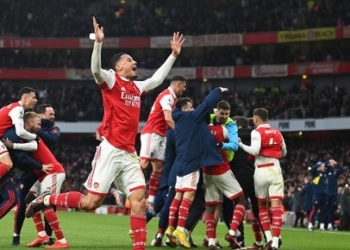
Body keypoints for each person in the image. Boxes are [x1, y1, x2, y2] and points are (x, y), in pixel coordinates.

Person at [25, 17, 185, 250]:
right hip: (110, 150)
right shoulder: (111, 80)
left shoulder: (136, 87)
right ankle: (46, 199)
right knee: (90, 203)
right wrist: (98, 44)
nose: (135, 62)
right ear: (119, 66)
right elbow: (95, 70)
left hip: (130, 153)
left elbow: (157, 80)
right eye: (130, 60)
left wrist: (173, 55)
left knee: (139, 201)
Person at [165, 87, 227, 248]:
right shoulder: (190, 117)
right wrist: (217, 90)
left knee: (178, 196)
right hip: (191, 161)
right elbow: (206, 105)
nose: (193, 109)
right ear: (185, 109)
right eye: (191, 106)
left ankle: (171, 228)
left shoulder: (177, 120)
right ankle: (180, 229)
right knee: (189, 195)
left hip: (180, 162)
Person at [3, 112, 67, 249]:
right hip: (44, 176)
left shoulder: (32, 137)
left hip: (53, 172)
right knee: (28, 201)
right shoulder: (26, 136)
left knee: (45, 204)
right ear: (29, 122)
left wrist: (13, 146)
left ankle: (61, 241)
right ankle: (42, 235)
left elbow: (34, 147)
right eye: (38, 123)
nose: (40, 127)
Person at [238, 108, 287, 250]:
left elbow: (255, 150)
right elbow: (284, 151)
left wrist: (241, 144)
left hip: (260, 170)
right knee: (276, 207)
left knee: (262, 207)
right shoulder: (277, 132)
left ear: (255, 119)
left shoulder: (256, 132)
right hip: (275, 169)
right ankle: (276, 242)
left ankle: (269, 239)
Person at [140, 75, 187, 213]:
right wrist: (181, 134)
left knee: (158, 169)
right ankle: (122, 190)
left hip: (162, 134)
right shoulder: (167, 96)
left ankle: (151, 202)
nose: (184, 90)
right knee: (143, 164)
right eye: (183, 87)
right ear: (178, 85)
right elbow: (168, 118)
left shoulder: (174, 99)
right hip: (152, 133)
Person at [223, 116, 264, 250]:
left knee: (237, 208)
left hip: (239, 178)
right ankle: (269, 238)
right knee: (259, 210)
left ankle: (239, 240)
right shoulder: (256, 136)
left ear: (237, 126)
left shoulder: (233, 137)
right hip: (256, 176)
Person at [203, 121, 246, 249]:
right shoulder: (223, 129)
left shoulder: (202, 128)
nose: (224, 116)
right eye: (223, 113)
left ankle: (211, 240)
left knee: (211, 207)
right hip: (221, 170)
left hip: (206, 172)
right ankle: (232, 232)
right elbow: (234, 145)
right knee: (241, 200)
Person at [0, 86, 38, 180]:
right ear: (25, 98)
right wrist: (35, 137)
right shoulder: (18, 109)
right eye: (33, 97)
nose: (36, 100)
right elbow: (20, 132)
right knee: (8, 164)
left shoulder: (9, 107)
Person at [308, 161, 328, 231]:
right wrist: (318, 166)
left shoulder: (325, 174)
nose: (324, 167)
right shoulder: (315, 174)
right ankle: (310, 224)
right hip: (317, 194)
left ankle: (322, 225)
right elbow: (313, 170)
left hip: (324, 194)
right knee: (314, 209)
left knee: (323, 210)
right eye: (322, 166)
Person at [325, 159, 343, 230]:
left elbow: (342, 169)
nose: (331, 164)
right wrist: (329, 161)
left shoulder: (335, 172)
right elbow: (325, 165)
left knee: (331, 209)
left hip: (333, 193)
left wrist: (336, 163)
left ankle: (330, 224)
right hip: (327, 193)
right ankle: (325, 223)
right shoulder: (327, 171)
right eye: (331, 163)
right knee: (326, 209)